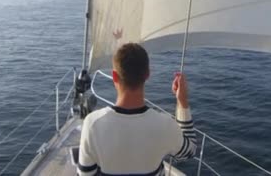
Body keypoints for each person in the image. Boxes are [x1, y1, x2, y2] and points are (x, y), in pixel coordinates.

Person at [77, 43, 197, 175]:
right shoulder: (164, 125)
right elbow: (189, 151)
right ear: (148, 74)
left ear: (114, 76)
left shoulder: (93, 124)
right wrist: (182, 101)